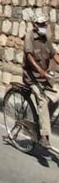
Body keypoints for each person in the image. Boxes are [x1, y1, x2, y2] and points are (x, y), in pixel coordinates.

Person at [23, 12, 59, 149]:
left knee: (56, 97)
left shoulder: (45, 38)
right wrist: (40, 71)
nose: (44, 26)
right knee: (43, 99)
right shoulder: (29, 36)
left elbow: (54, 55)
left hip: (43, 77)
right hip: (31, 77)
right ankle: (44, 136)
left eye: (45, 24)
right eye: (41, 24)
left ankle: (43, 122)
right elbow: (29, 56)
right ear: (34, 25)